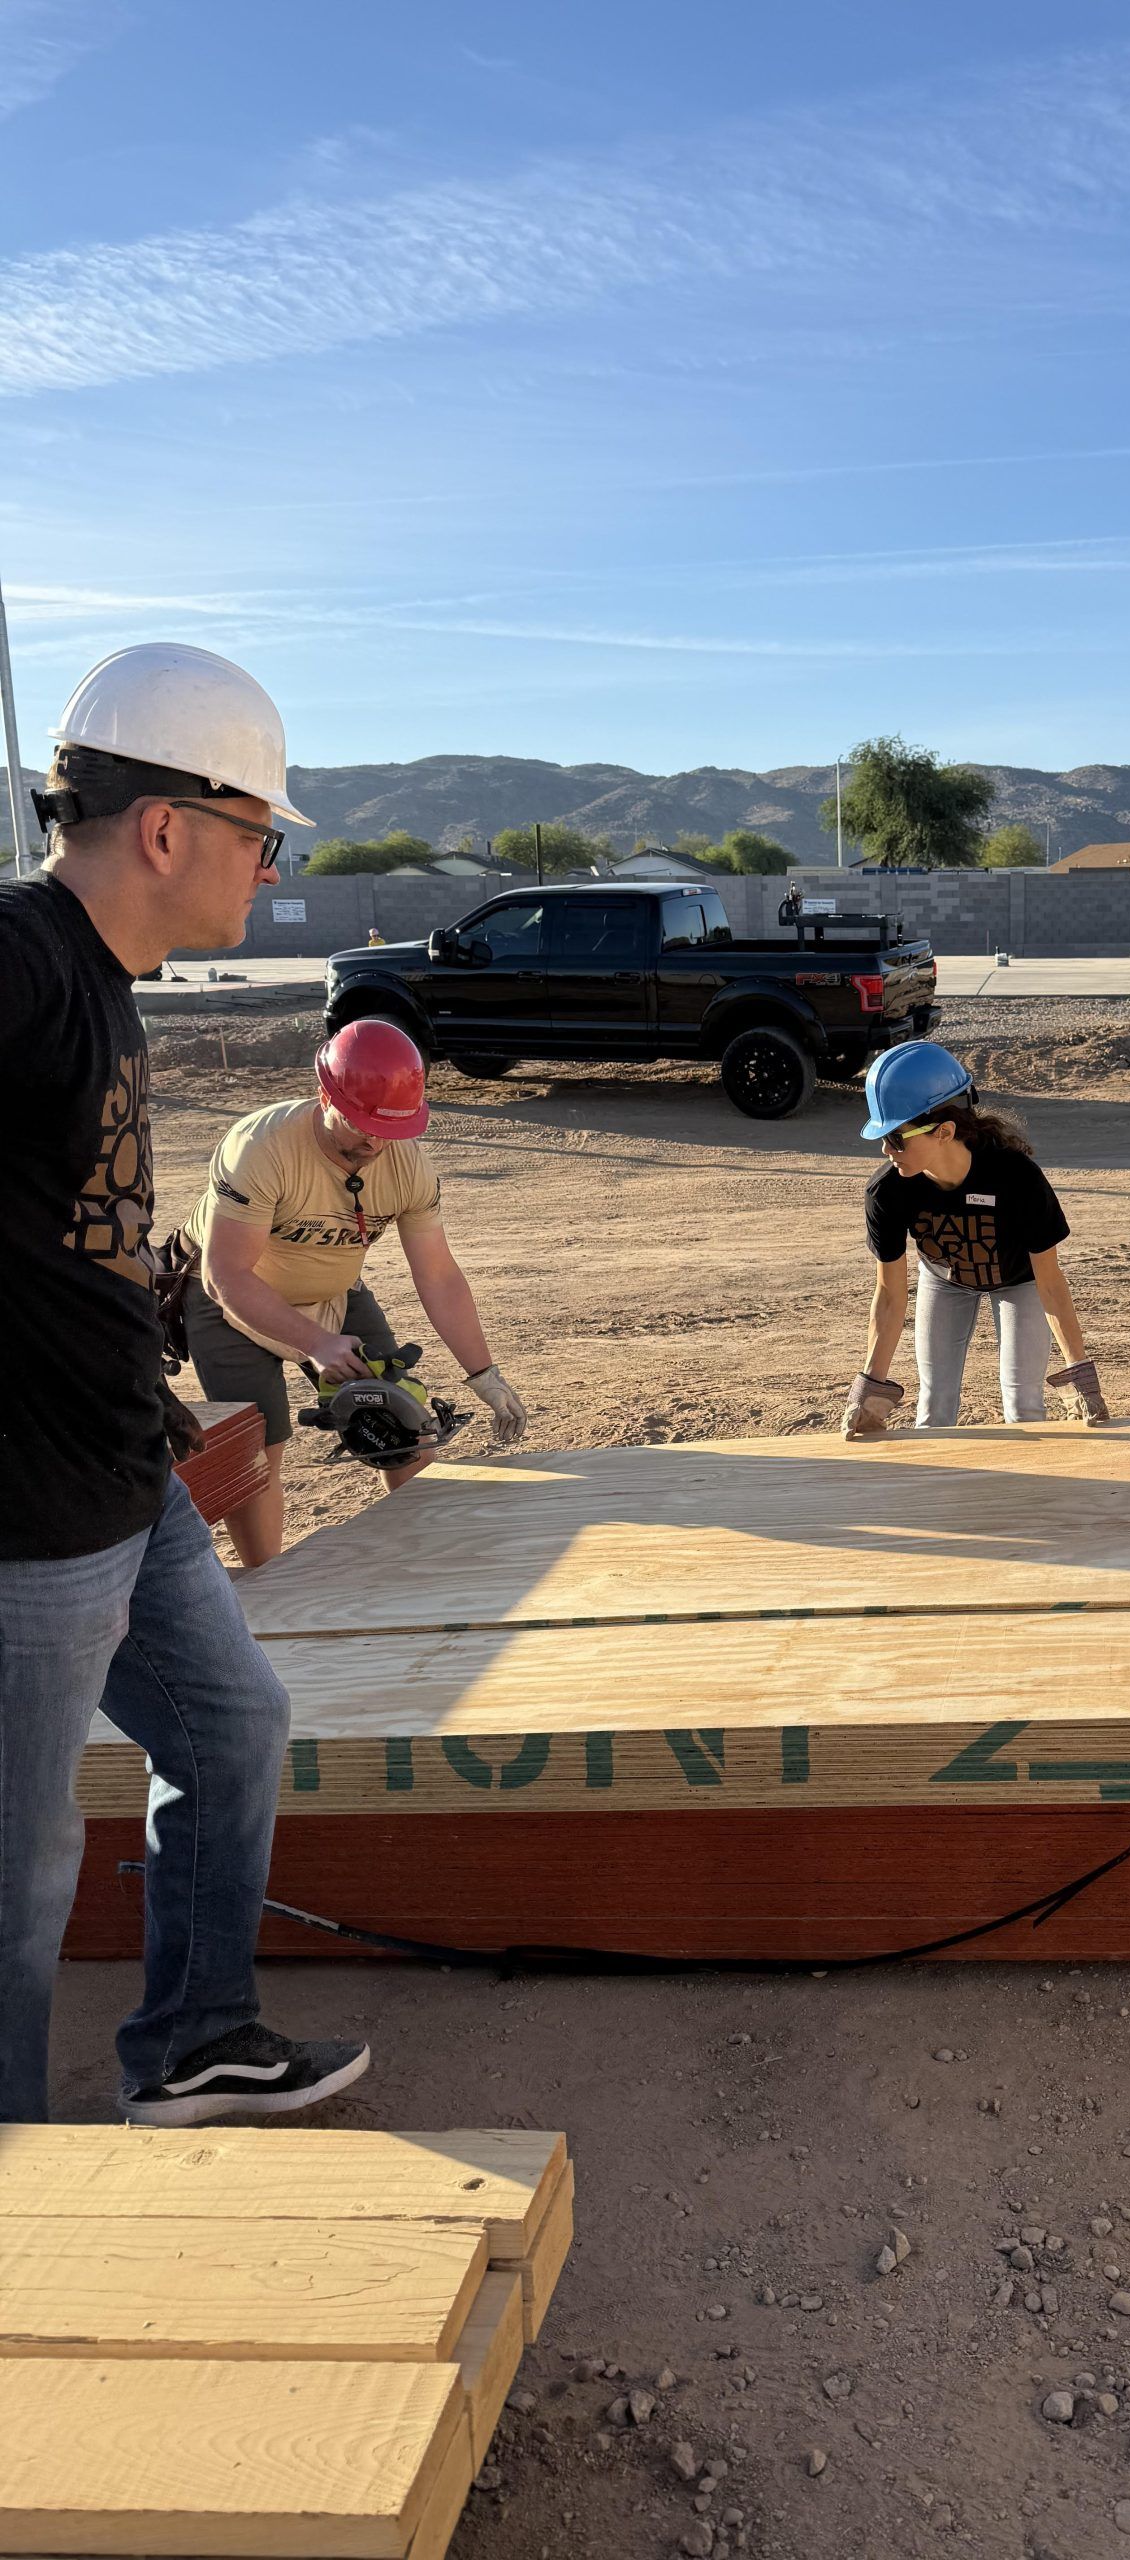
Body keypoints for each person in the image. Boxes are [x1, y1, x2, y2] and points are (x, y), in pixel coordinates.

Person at [0, 640, 368, 2126]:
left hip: (121, 1478)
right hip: (26, 1521)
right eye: (258, 837)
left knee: (231, 1730)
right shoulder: (24, 958)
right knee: (20, 1892)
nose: (269, 873)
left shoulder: (103, 985)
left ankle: (194, 2040)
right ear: (166, 830)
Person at [178, 1019, 528, 1565]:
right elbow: (228, 1277)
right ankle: (268, 1582)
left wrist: (483, 1372)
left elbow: (437, 1274)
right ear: (325, 1096)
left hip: (335, 1288)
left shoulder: (408, 1166)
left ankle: (425, 1560)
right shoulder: (261, 1147)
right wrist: (318, 1344)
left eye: (391, 1128)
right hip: (234, 1299)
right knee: (257, 1443)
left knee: (402, 1417)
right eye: (362, 1124)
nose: (375, 1142)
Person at [843, 1041, 1108, 1433]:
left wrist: (1079, 1371)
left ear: (944, 1131)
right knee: (934, 1405)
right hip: (945, 1282)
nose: (886, 1149)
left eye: (896, 1137)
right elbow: (890, 1296)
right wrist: (870, 1389)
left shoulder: (1016, 1178)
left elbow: (1050, 1284)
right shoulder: (887, 1192)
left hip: (1020, 1283)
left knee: (1023, 1404)